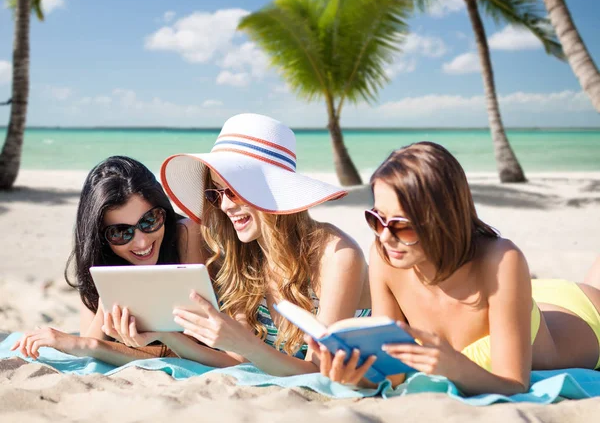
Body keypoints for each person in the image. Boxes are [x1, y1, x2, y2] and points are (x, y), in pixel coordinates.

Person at [307, 142, 600, 395]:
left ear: (442, 219)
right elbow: (394, 374)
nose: (384, 236)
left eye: (401, 225)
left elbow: (515, 384)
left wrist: (455, 368)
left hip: (585, 312)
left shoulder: (502, 259)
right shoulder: (385, 256)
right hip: (519, 297)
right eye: (377, 219)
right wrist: (358, 378)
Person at [140, 113, 371, 375]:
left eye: (233, 191)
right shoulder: (245, 257)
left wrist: (247, 345)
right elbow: (240, 362)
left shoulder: (337, 255)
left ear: (271, 188)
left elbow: (321, 371)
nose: (225, 206)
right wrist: (163, 335)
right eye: (215, 194)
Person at [12, 155, 205, 365]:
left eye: (150, 221)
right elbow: (90, 342)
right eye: (121, 232)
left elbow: (195, 349)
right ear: (101, 237)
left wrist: (92, 346)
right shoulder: (99, 258)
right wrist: (110, 297)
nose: (141, 242)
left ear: (163, 212)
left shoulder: (186, 234)